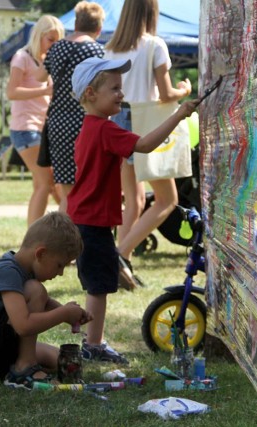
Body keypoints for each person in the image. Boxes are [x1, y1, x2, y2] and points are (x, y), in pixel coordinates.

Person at [67, 57, 198, 363]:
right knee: (99, 286)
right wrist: (179, 114)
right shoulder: (104, 130)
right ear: (90, 94)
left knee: (97, 282)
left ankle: (92, 339)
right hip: (92, 222)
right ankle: (94, 345)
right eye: (114, 88)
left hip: (86, 219)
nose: (121, 94)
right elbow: (146, 145)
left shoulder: (90, 127)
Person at [104, 0, 193, 282]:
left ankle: (121, 264)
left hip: (117, 122)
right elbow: (165, 93)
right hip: (145, 125)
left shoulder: (111, 48)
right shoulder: (155, 45)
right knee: (167, 199)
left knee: (134, 200)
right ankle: (121, 251)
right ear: (151, 12)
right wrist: (184, 90)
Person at [0, 211, 92, 387]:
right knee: (35, 289)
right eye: (59, 265)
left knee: (59, 359)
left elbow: (47, 304)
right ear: (41, 254)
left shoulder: (21, 269)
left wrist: (72, 314)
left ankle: (14, 366)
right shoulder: (8, 272)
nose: (60, 273)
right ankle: (24, 368)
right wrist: (64, 313)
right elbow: (23, 325)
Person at [37, 1, 105, 213]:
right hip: (85, 123)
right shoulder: (97, 51)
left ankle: (65, 241)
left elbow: (40, 76)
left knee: (67, 192)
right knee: (89, 186)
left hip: (57, 123)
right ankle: (82, 238)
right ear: (99, 28)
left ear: (75, 23)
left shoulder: (56, 48)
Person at [6, 15, 64, 225]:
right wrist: (46, 90)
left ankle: (65, 230)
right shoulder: (22, 57)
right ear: (39, 36)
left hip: (41, 128)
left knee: (50, 184)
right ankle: (33, 240)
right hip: (25, 128)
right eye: (51, 39)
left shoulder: (44, 61)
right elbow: (11, 92)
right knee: (46, 184)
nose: (54, 45)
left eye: (58, 40)